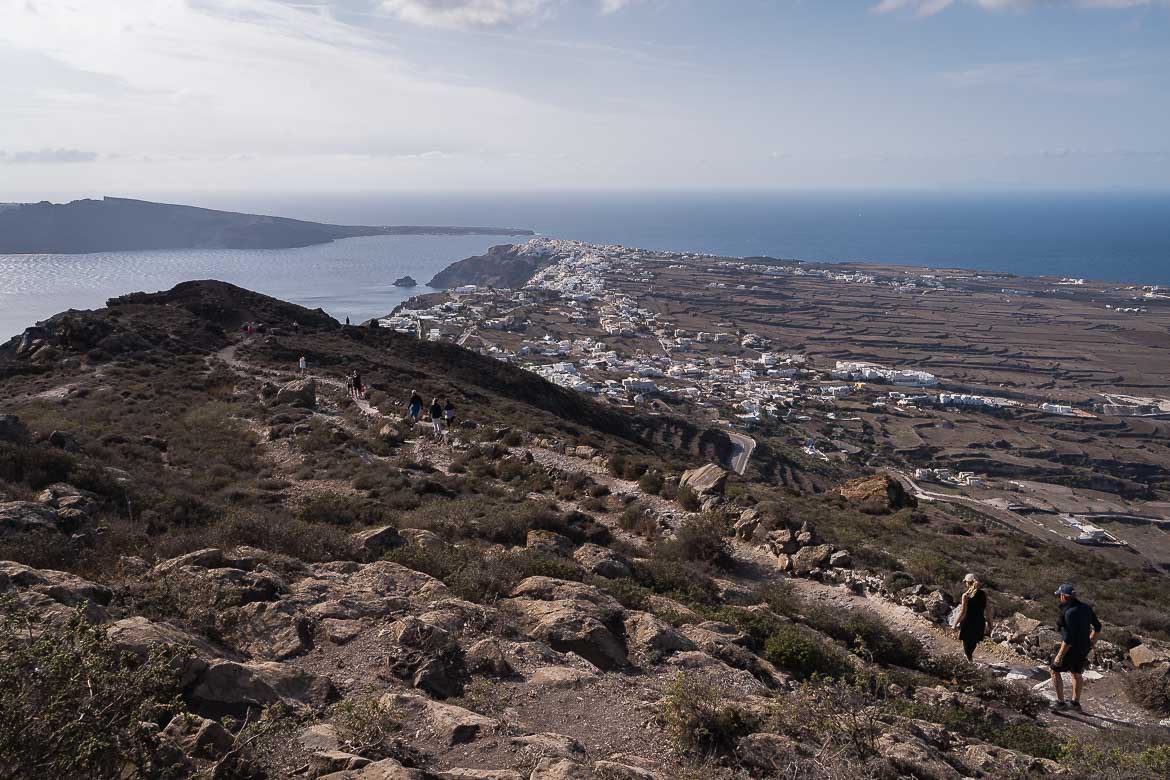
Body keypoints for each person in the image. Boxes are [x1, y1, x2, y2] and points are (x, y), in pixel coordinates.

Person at [1049, 583, 1102, 713]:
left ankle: (1061, 703)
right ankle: (1075, 703)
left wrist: (1059, 657)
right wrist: (1091, 641)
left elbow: (1068, 639)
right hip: (1084, 646)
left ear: (1063, 596)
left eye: (1060, 595)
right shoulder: (1086, 608)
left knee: (1054, 670)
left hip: (1071, 648)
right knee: (1076, 672)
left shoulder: (1068, 613)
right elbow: (1098, 627)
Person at [955, 573, 992, 662]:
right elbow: (988, 610)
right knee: (973, 642)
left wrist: (954, 624)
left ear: (968, 583)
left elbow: (962, 612)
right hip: (979, 622)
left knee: (966, 642)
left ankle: (969, 659)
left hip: (968, 622)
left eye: (966, 582)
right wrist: (990, 623)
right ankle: (969, 657)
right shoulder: (984, 594)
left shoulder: (966, 596)